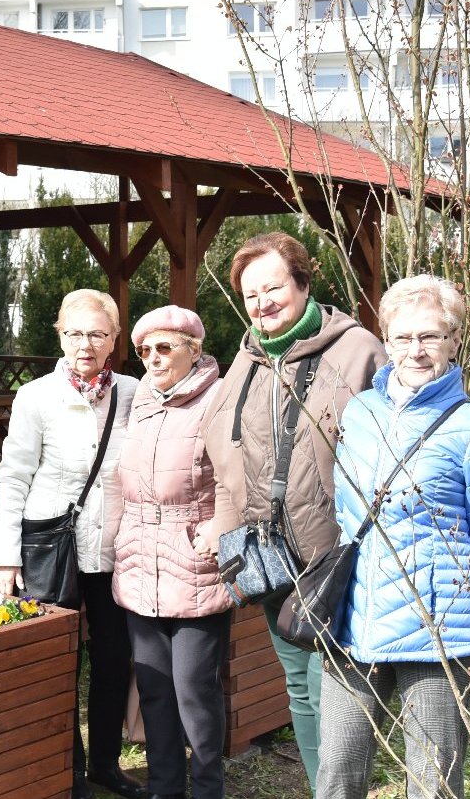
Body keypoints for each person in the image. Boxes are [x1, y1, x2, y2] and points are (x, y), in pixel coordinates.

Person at [317, 275, 470, 799]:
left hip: (439, 631)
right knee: (337, 774)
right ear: (386, 340)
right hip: (355, 618)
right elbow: (346, 509)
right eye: (403, 337)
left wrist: (463, 601)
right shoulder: (360, 413)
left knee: (432, 782)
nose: (416, 350)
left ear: (454, 340)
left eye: (430, 336)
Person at [199, 231, 386, 792]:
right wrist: (228, 527)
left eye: (273, 287)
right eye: (251, 294)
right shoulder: (249, 359)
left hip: (337, 557)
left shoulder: (358, 351)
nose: (262, 303)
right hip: (270, 558)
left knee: (337, 690)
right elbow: (223, 443)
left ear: (304, 283)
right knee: (299, 687)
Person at [0, 289, 144, 799]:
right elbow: (13, 477)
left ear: (114, 340)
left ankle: (104, 763)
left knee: (113, 657)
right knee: (59, 660)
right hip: (50, 545)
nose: (86, 343)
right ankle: (67, 769)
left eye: (98, 333)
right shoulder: (35, 396)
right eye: (76, 332)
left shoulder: (134, 392)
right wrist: (4, 556)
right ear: (59, 334)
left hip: (115, 546)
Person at [112, 306, 228, 799]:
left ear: (194, 351)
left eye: (165, 348)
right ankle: (165, 787)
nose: (153, 359)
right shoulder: (138, 401)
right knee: (155, 687)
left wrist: (221, 526)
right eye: (145, 351)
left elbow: (236, 475)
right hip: (139, 562)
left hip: (195, 563)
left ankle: (206, 789)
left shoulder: (217, 399)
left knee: (194, 690)